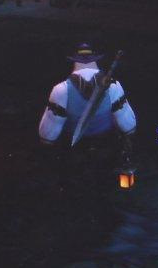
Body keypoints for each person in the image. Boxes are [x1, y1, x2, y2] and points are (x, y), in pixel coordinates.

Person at [38, 42, 136, 185]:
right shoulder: (113, 86)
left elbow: (47, 136)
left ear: (74, 60)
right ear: (95, 59)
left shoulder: (60, 90)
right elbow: (129, 126)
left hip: (75, 154)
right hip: (103, 149)